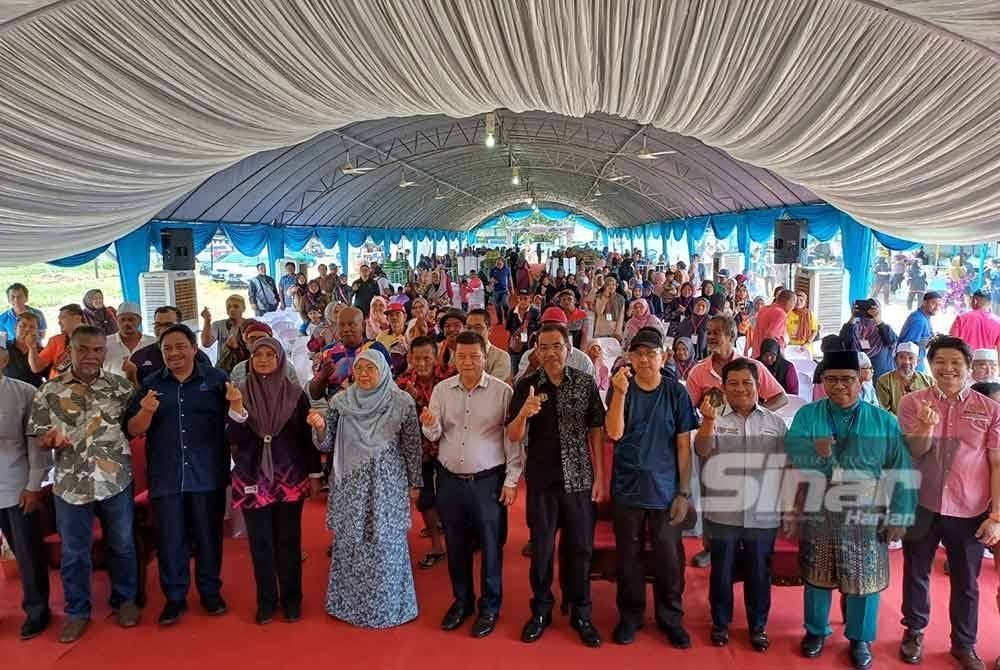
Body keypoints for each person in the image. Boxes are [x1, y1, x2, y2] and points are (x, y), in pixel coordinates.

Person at [785, 350, 916, 670]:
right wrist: (817, 453)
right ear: (822, 382)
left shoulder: (884, 421)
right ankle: (816, 631)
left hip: (867, 510)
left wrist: (900, 514)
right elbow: (793, 454)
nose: (839, 385)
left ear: (861, 380)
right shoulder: (808, 416)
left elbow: (901, 468)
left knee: (864, 577)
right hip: (819, 504)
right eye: (831, 379)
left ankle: (860, 638)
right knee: (817, 573)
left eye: (847, 379)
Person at [27, 325, 140, 642]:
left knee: (122, 545)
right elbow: (38, 436)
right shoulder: (49, 391)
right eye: (83, 349)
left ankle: (125, 601)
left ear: (105, 351)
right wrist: (48, 440)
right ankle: (77, 612)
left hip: (115, 480)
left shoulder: (120, 387)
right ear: (69, 351)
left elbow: (134, 427)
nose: (91, 355)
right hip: (71, 485)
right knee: (74, 553)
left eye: (97, 349)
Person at [897, 337, 1000, 670]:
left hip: (970, 508)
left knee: (967, 580)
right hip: (922, 503)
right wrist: (925, 426)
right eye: (940, 361)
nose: (948, 368)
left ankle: (964, 644)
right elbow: (914, 451)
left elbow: (997, 463)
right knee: (916, 571)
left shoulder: (991, 410)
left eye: (956, 362)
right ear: (930, 365)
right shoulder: (912, 402)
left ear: (969, 367)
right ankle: (914, 631)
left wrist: (997, 515)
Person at [507, 323, 606, 647]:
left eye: (556, 346)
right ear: (536, 351)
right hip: (542, 481)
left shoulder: (585, 382)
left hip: (580, 478)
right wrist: (524, 414)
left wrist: (600, 476)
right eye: (544, 347)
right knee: (542, 550)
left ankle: (581, 612)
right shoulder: (527, 386)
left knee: (581, 549)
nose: (550, 353)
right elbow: (513, 435)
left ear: (568, 349)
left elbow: (596, 428)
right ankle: (541, 611)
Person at [124, 324, 231, 626]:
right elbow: (131, 429)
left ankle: (210, 592)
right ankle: (174, 597)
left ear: (194, 348)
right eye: (167, 348)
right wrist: (146, 411)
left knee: (209, 537)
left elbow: (237, 420)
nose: (174, 353)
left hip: (207, 474)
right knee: (170, 539)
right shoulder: (151, 384)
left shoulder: (216, 380)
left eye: (180, 346)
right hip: (166, 476)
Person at [422, 330, 522, 639]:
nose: (467, 361)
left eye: (474, 356)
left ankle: (489, 607)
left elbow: (512, 440)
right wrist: (429, 425)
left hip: (487, 482)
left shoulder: (502, 392)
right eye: (461, 356)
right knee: (456, 545)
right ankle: (462, 601)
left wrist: (511, 480)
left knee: (491, 546)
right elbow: (435, 435)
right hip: (449, 480)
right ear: (454, 358)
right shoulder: (442, 390)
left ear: (485, 357)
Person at [605, 327, 697, 648]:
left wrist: (683, 492)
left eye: (650, 353)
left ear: (663, 357)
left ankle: (670, 617)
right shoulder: (621, 387)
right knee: (628, 556)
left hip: (665, 489)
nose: (644, 360)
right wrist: (618, 393)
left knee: (669, 558)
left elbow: (683, 447)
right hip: (627, 486)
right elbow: (614, 433)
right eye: (638, 353)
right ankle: (630, 615)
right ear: (629, 357)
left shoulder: (676, 393)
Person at [314, 350, 421, 620]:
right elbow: (326, 444)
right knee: (352, 543)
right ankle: (348, 607)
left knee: (386, 544)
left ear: (383, 371)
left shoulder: (401, 402)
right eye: (359, 368)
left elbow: (412, 447)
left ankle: (389, 608)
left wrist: (415, 482)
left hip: (387, 486)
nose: (363, 374)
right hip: (351, 486)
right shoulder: (341, 402)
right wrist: (319, 427)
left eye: (370, 368)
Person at [225, 338, 324, 624]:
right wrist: (237, 409)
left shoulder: (295, 394)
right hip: (251, 476)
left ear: (280, 359)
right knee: (261, 543)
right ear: (250, 360)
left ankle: (292, 600)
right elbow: (233, 438)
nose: (264, 359)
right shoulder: (239, 393)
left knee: (288, 541)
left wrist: (314, 474)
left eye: (270, 354)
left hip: (289, 477)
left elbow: (306, 439)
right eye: (258, 354)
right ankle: (266, 601)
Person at [694, 357, 787, 651]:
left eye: (747, 382)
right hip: (724, 513)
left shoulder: (775, 424)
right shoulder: (714, 420)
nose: (740, 388)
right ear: (723, 387)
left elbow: (785, 468)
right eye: (733, 383)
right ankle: (720, 624)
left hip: (763, 513)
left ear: (758, 386)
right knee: (722, 572)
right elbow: (702, 451)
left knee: (759, 572)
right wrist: (708, 422)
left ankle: (758, 626)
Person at [0, 346, 50, 640]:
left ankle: (37, 610)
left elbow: (36, 444)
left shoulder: (24, 392)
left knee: (27, 553)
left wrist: (34, 485)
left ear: (4, 359)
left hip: (16, 484)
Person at [395, 336, 449, 569]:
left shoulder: (449, 377)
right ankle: (437, 546)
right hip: (419, 450)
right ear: (410, 358)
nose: (422, 363)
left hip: (449, 446)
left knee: (451, 496)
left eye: (427, 358)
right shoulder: (402, 382)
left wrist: (419, 398)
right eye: (417, 358)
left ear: (436, 357)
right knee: (424, 498)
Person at [686, 316, 789, 411]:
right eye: (708, 333)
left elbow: (781, 398)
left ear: (731, 336)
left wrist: (756, 414)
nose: (711, 337)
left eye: (716, 333)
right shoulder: (698, 370)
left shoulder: (753, 367)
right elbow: (687, 406)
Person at [308, 307, 391, 401]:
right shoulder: (328, 352)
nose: (346, 329)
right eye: (341, 325)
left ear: (363, 326)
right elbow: (315, 395)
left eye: (352, 324)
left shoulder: (376, 348)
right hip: (338, 407)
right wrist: (323, 375)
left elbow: (390, 382)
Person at [516, 307, 594, 381]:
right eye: (547, 328)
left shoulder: (583, 360)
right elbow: (517, 387)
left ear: (566, 331)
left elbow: (589, 388)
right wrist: (532, 367)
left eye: (557, 328)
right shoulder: (529, 356)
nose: (552, 333)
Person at [840, 298, 898, 379]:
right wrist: (853, 317)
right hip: (859, 378)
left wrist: (878, 320)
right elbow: (843, 341)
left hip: (882, 378)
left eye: (872, 308)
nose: (868, 311)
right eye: (864, 308)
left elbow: (891, 340)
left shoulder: (883, 328)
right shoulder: (854, 328)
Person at [875, 342, 934, 415]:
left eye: (911, 358)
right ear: (895, 360)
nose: (906, 362)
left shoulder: (929, 381)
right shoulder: (884, 381)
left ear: (917, 362)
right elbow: (884, 412)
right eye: (902, 357)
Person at [28, 303, 84, 377]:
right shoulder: (56, 341)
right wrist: (32, 347)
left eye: (63, 317)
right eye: (59, 319)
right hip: (57, 383)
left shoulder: (95, 339)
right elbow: (36, 368)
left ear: (77, 318)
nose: (59, 322)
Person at [104, 302, 155, 377]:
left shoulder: (152, 342)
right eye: (122, 320)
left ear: (140, 321)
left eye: (131, 320)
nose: (126, 324)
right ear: (117, 321)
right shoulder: (105, 343)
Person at [200, 294, 247, 373]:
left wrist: (237, 348)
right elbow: (206, 343)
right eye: (229, 307)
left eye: (236, 306)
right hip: (223, 368)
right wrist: (207, 321)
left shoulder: (250, 325)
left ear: (244, 308)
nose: (232, 309)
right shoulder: (218, 325)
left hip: (243, 369)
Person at [898, 291, 942, 372]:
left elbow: (921, 337)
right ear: (924, 303)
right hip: (912, 365)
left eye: (939, 305)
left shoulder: (923, 316)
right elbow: (908, 346)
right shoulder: (919, 320)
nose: (937, 307)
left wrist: (931, 337)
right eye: (933, 303)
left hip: (917, 362)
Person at [466, 308, 511, 383]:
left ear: (489, 330)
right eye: (469, 328)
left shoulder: (501, 357)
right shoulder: (458, 354)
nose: (472, 332)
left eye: (478, 328)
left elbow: (491, 386)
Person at [748, 289, 795, 358]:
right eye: (793, 303)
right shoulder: (780, 313)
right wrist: (781, 358)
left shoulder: (764, 309)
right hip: (769, 357)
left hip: (757, 354)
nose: (793, 307)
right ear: (788, 302)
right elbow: (771, 337)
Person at [5, 312, 46, 387]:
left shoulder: (43, 351)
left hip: (35, 391)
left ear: (37, 331)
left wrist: (32, 347)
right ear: (15, 328)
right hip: (9, 390)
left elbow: (50, 377)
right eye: (23, 326)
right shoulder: (4, 347)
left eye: (32, 327)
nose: (27, 329)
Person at [506, 289, 540, 373]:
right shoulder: (511, 312)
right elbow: (508, 329)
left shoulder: (535, 312)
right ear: (518, 299)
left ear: (530, 299)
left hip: (530, 349)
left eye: (525, 298)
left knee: (530, 373)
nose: (523, 301)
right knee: (515, 372)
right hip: (515, 349)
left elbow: (539, 329)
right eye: (521, 298)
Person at [376, 302, 410, 376]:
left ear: (405, 317)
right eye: (391, 315)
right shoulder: (381, 336)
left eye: (398, 314)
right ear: (387, 319)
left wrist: (406, 348)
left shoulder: (411, 333)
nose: (394, 318)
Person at [593, 275, 626, 341]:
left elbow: (621, 316)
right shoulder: (599, 296)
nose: (611, 286)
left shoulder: (620, 298)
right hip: (601, 329)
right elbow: (599, 312)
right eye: (608, 285)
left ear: (616, 286)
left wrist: (618, 331)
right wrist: (605, 299)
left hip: (613, 329)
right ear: (605, 286)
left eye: (613, 284)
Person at [490, 258, 512, 323]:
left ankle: (507, 317)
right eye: (497, 263)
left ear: (503, 263)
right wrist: (493, 281)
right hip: (496, 291)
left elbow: (510, 279)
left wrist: (512, 289)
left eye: (500, 263)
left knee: (505, 303)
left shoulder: (507, 269)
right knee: (497, 306)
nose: (498, 265)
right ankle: (500, 320)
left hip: (505, 290)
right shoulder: (493, 270)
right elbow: (491, 279)